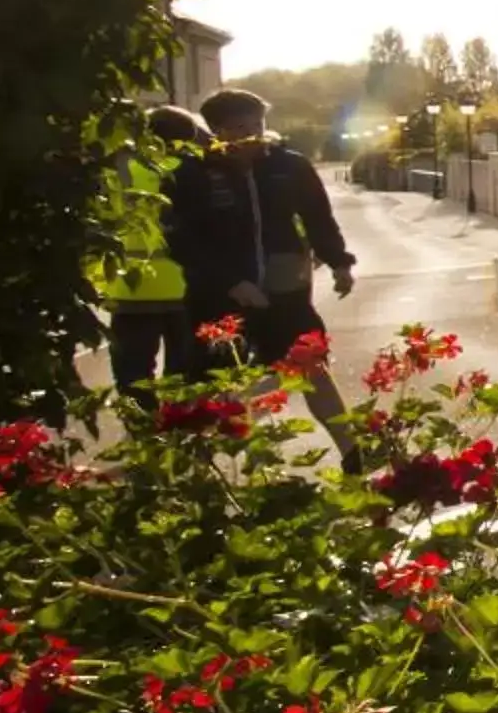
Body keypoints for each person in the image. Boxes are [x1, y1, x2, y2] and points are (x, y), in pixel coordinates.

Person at [174, 87, 360, 449]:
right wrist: (230, 282)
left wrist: (339, 262)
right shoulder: (195, 173)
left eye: (258, 124)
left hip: (284, 290)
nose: (252, 135)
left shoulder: (288, 166)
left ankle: (354, 452)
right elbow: (185, 240)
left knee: (312, 365)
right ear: (218, 131)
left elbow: (318, 217)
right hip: (218, 297)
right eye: (240, 127)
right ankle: (200, 469)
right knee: (209, 384)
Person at [103, 104, 214, 389]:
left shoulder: (119, 168)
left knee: (133, 376)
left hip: (131, 288)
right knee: (185, 376)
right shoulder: (192, 171)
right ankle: (178, 429)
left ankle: (143, 429)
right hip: (185, 288)